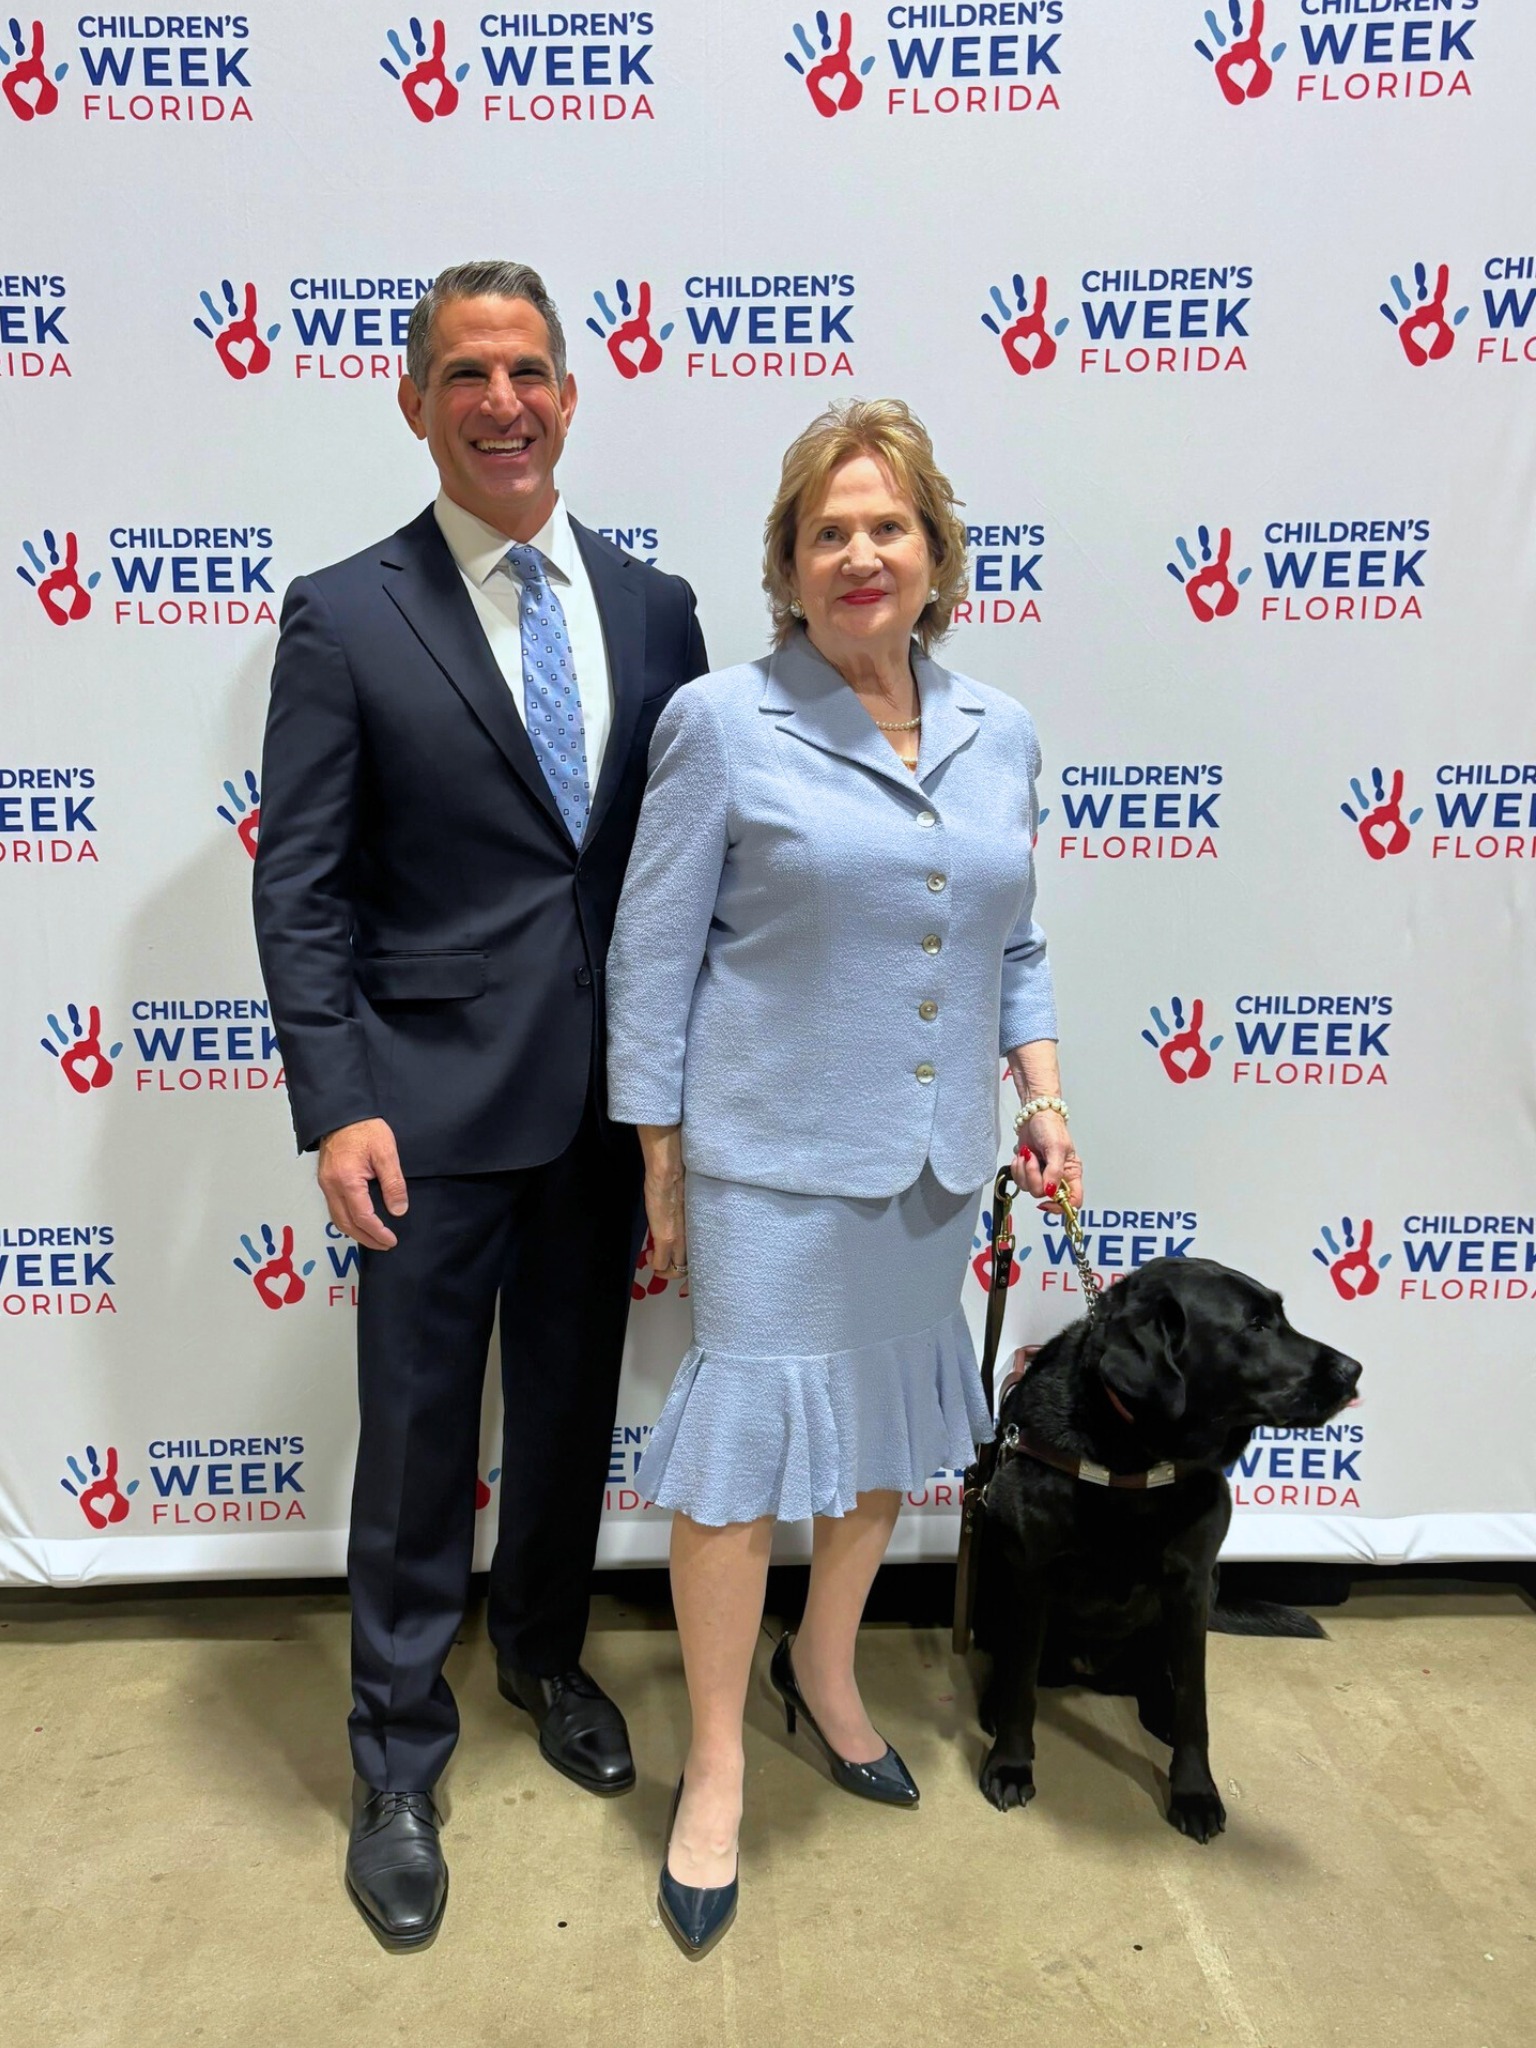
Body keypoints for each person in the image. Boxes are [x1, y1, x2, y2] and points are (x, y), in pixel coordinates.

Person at [251, 260, 708, 1951]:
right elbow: (300, 887)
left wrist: (677, 1108)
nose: (500, 401)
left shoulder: (657, 610)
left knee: (572, 1416)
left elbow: (680, 871)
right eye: (465, 373)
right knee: (419, 1445)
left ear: (570, 396)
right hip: (424, 1115)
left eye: (526, 371)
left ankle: (543, 1656)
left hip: (607, 1110)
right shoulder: (343, 613)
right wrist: (336, 1104)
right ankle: (394, 1756)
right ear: (415, 403)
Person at [605, 398, 1082, 1957]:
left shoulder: (1002, 729)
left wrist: (1044, 1098)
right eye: (829, 532)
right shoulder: (723, 722)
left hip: (933, 1166)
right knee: (743, 1462)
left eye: (888, 527)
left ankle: (823, 1668)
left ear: (937, 552)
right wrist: (660, 1156)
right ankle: (718, 1761)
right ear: (789, 564)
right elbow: (652, 952)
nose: (860, 553)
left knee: (883, 1428)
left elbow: (1013, 941)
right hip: (769, 1162)